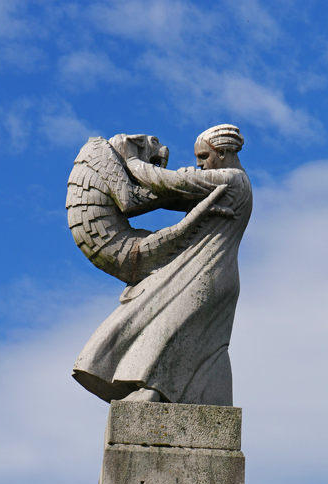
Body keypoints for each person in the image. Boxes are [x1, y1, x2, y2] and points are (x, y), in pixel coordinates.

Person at [72, 124, 253, 406]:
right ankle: (210, 401)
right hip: (204, 270)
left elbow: (172, 183)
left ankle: (150, 389)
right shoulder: (220, 182)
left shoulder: (231, 180)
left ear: (225, 151)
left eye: (204, 156)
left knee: (168, 324)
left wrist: (130, 161)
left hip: (208, 273)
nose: (199, 163)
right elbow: (169, 195)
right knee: (201, 337)